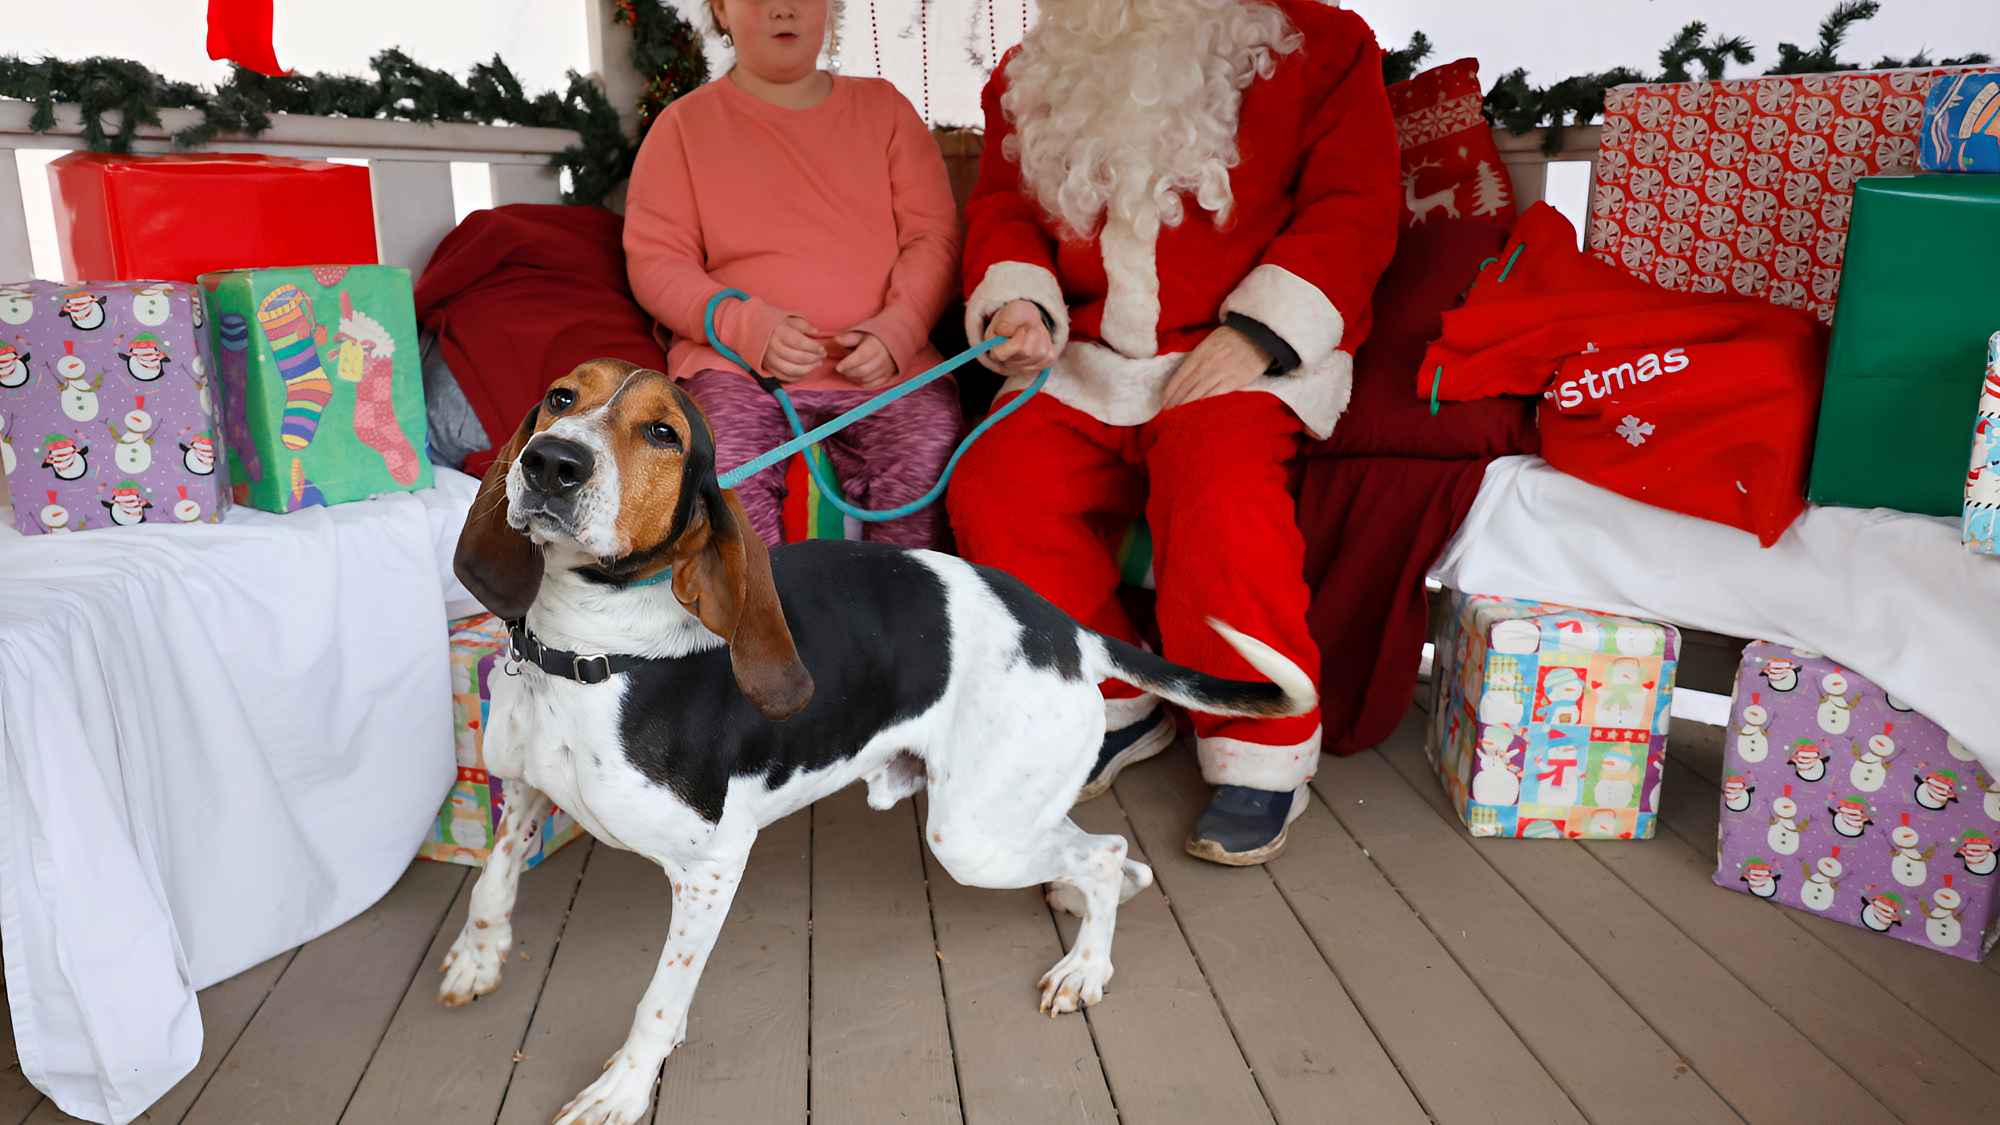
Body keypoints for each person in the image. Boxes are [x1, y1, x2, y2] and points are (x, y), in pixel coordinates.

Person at [947, 0, 1403, 864]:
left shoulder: (1323, 44)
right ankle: (1113, 700)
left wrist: (1260, 333)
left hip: (1239, 348)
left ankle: (1258, 746)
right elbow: (1004, 211)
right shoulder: (1030, 69)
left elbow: (1355, 203)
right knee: (998, 482)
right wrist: (1018, 298)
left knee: (1217, 489)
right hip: (1084, 355)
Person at [624, 0, 962, 548]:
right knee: (721, 458)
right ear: (722, 12)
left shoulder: (884, 110)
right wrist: (742, 325)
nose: (783, 10)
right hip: (739, 371)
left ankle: (903, 617)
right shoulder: (683, 126)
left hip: (883, 371)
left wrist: (901, 328)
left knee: (926, 438)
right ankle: (761, 621)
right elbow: (657, 261)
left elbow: (933, 238)